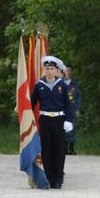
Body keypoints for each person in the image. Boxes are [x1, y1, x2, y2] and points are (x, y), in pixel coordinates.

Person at [30, 56, 74, 189]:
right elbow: (32, 103)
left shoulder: (63, 85)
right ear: (44, 70)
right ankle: (48, 178)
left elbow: (69, 105)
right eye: (47, 69)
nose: (49, 71)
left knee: (59, 150)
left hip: (59, 120)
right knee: (47, 149)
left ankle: (58, 179)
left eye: (52, 69)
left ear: (56, 70)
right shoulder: (39, 85)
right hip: (45, 120)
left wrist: (69, 120)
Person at [64, 64, 82, 155]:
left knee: (72, 129)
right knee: (63, 129)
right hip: (63, 110)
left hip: (73, 109)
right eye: (67, 70)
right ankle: (64, 149)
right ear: (64, 72)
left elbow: (78, 97)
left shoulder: (75, 84)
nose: (69, 72)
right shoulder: (61, 83)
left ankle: (71, 149)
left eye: (70, 70)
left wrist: (78, 109)